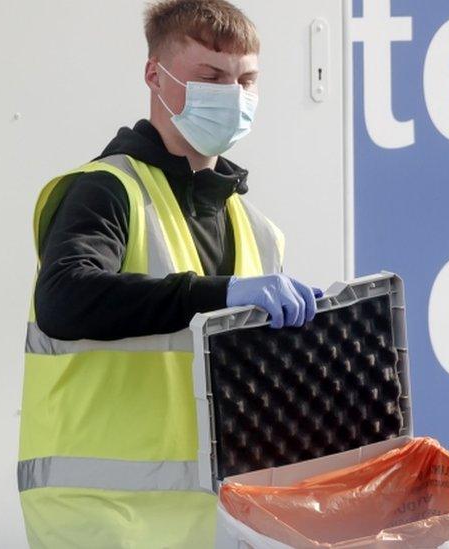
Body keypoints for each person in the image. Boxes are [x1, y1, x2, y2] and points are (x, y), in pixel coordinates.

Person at [16, 1, 317, 546]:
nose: (233, 96)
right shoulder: (106, 191)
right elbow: (63, 300)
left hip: (209, 524)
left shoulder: (259, 232)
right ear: (155, 75)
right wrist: (220, 294)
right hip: (100, 516)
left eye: (247, 80)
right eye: (211, 77)